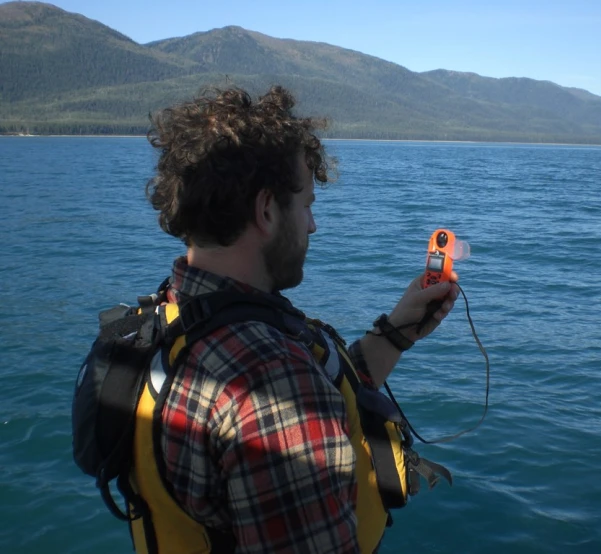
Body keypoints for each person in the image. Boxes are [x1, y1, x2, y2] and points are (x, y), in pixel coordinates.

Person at [134, 85, 459, 553]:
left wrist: (397, 332)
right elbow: (281, 391)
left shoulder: (166, 321)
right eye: (306, 205)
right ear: (267, 210)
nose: (312, 225)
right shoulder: (271, 384)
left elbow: (321, 384)